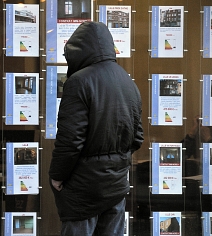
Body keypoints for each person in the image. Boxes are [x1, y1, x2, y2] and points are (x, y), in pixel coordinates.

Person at [48, 21, 144, 236]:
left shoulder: (78, 82)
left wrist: (56, 175)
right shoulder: (128, 82)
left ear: (77, 51)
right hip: (116, 185)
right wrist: (115, 163)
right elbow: (137, 138)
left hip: (83, 189)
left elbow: (71, 139)